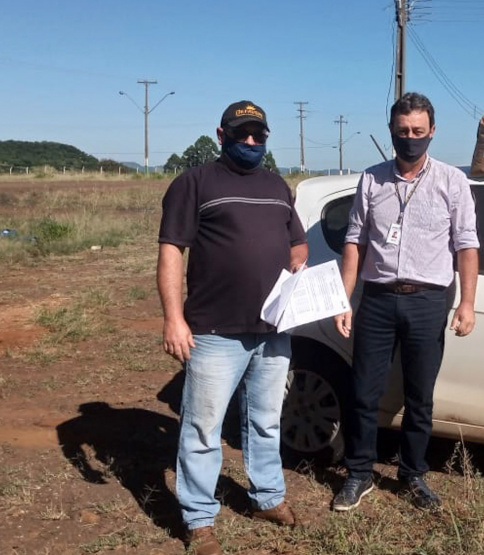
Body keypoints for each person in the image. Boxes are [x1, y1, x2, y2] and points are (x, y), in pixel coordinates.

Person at [157, 100, 308, 555]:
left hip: (273, 330)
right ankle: (199, 520)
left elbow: (298, 246)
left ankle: (267, 498)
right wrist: (173, 318)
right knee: (202, 428)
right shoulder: (195, 183)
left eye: (258, 135)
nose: (250, 142)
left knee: (265, 420)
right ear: (222, 135)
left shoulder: (279, 186)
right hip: (214, 331)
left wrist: (293, 276)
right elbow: (171, 252)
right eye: (241, 134)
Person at [332, 92, 479, 512]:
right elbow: (354, 242)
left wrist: (466, 303)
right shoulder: (371, 180)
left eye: (417, 131)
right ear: (391, 132)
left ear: (432, 131)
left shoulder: (452, 181)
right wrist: (345, 299)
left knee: (420, 397)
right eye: (402, 132)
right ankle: (359, 473)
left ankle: (413, 474)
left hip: (428, 301)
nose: (410, 139)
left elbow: (467, 245)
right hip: (376, 300)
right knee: (363, 393)